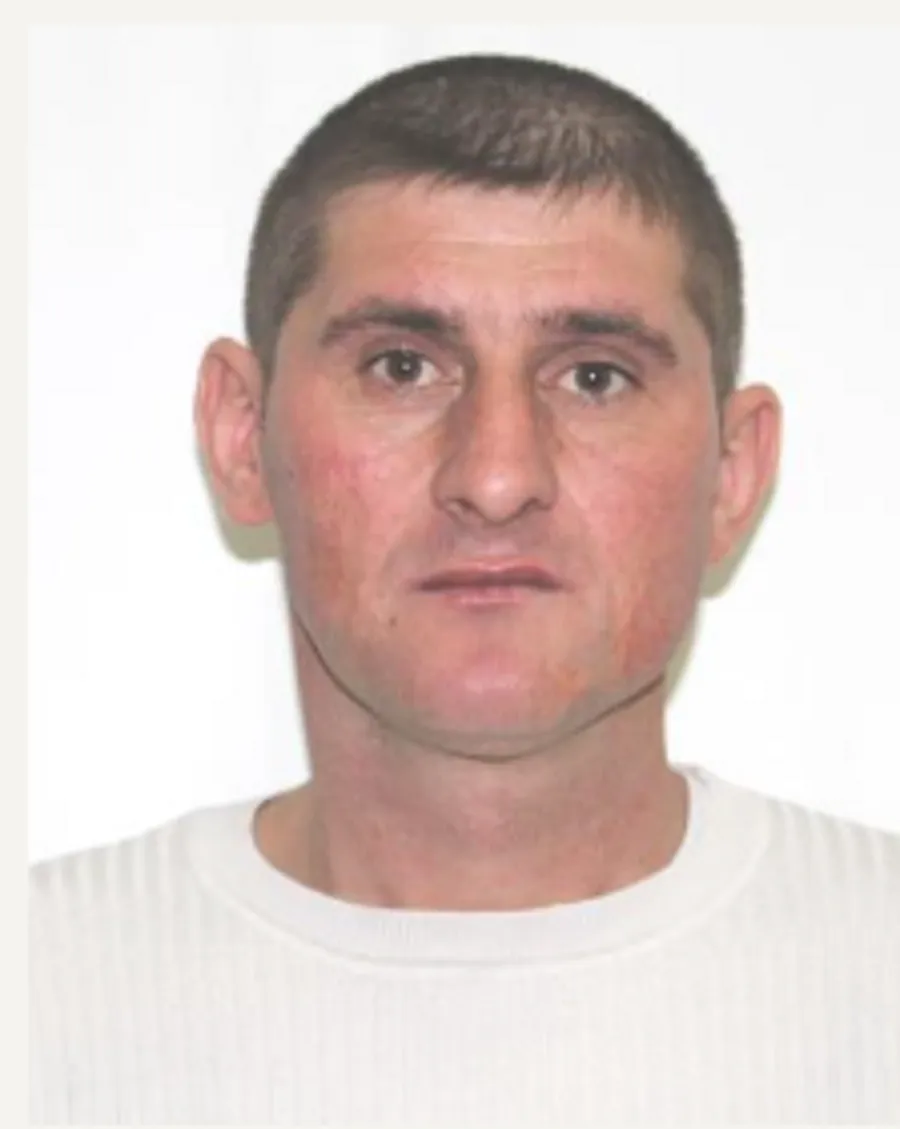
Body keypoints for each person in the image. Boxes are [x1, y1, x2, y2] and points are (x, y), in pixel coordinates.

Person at [30, 52, 900, 1126]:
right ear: (242, 436)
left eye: (594, 376)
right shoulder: (41, 995)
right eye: (401, 366)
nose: (495, 477)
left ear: (733, 470)